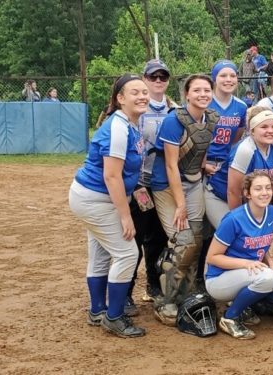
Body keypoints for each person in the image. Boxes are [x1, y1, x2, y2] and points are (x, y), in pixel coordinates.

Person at [68, 73, 149, 338]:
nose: (142, 96)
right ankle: (113, 316)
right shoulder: (118, 126)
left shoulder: (131, 123)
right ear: (120, 98)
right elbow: (111, 176)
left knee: (101, 253)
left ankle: (97, 310)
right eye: (134, 92)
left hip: (94, 197)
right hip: (96, 198)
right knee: (127, 254)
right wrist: (126, 217)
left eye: (144, 92)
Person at [149, 74, 218, 326]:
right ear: (186, 94)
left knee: (197, 240)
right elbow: (169, 165)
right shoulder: (173, 120)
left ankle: (186, 294)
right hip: (167, 185)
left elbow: (201, 146)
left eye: (206, 90)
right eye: (197, 90)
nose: (202, 94)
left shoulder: (210, 117)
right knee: (184, 240)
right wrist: (180, 204)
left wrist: (203, 167)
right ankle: (165, 300)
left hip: (192, 181)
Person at [205, 171, 273, 339]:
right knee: (265, 277)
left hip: (252, 273)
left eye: (267, 188)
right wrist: (246, 263)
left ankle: (248, 304)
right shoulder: (233, 219)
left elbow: (261, 242)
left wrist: (271, 262)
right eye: (258, 189)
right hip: (219, 279)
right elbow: (212, 257)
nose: (264, 192)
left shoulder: (271, 212)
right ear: (247, 193)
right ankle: (230, 318)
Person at [125, 59, 177, 315]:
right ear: (144, 80)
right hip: (140, 185)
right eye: (153, 77)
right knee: (135, 236)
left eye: (163, 77)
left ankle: (154, 285)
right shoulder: (135, 111)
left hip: (162, 185)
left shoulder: (175, 110)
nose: (158, 81)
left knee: (158, 237)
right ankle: (125, 291)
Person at [204, 59, 249, 229]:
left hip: (224, 165)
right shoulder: (204, 101)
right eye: (223, 75)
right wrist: (203, 164)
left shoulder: (241, 106)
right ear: (214, 78)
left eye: (232, 75)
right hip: (201, 164)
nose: (228, 79)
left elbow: (236, 139)